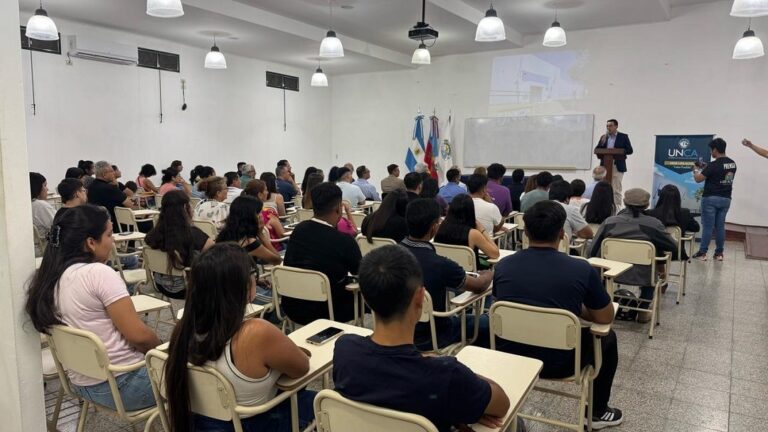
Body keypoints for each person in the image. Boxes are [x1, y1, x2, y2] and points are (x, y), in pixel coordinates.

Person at [333, 245, 510, 432]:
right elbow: (502, 404)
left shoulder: (344, 350)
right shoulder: (446, 375)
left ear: (366, 298)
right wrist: (461, 391)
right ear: (420, 298)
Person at [493, 201, 622, 429]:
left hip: (510, 354)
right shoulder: (581, 269)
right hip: (562, 362)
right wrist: (576, 309)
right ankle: (598, 412)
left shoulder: (504, 266)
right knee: (608, 338)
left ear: (526, 231)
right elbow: (604, 318)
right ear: (562, 234)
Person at [164, 243, 314, 432]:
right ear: (245, 285)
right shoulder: (255, 332)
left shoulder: (183, 329)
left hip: (200, 424)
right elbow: (301, 368)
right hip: (252, 424)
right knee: (322, 402)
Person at [25, 205, 161, 411]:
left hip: (82, 384)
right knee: (203, 373)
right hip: (124, 384)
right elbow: (140, 337)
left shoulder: (49, 277)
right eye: (108, 234)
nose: (113, 240)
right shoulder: (98, 274)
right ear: (90, 243)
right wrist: (161, 352)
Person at [400, 199, 493, 350]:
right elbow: (479, 286)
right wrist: (489, 274)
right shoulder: (440, 264)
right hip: (433, 335)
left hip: (398, 331)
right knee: (488, 321)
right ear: (434, 227)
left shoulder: (389, 254)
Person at [590, 189, 677, 322]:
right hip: (644, 275)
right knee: (653, 267)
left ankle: (605, 306)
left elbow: (592, 249)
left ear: (624, 203)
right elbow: (673, 246)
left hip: (611, 273)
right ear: (647, 205)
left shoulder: (609, 222)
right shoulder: (654, 224)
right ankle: (643, 310)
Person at [282, 182, 362, 325]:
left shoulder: (298, 230)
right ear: (338, 208)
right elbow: (359, 272)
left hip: (293, 306)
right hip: (329, 310)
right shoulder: (344, 241)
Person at [145, 191, 215, 299]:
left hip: (160, 285)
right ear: (184, 208)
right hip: (187, 286)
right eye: (190, 205)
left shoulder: (153, 234)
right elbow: (215, 250)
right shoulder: (192, 234)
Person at [692, 138, 737, 261]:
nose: (711, 152)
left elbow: (698, 179)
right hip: (726, 199)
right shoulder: (732, 163)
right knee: (720, 227)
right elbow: (721, 170)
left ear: (715, 150)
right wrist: (707, 166)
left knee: (707, 226)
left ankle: (702, 253)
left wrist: (695, 169)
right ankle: (719, 254)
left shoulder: (713, 165)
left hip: (711, 199)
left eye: (711, 150)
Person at [434, 194, 500, 269]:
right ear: (471, 211)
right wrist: (482, 230)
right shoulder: (473, 234)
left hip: (445, 272)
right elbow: (495, 254)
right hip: (470, 276)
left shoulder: (440, 227)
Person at [216, 196, 282, 265]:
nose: (261, 215)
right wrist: (260, 234)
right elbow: (277, 260)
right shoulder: (249, 242)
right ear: (252, 216)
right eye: (259, 213)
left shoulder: (224, 234)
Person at [648, 184, 700, 261]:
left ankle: (660, 271)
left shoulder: (651, 213)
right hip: (677, 252)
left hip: (655, 253)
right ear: (678, 198)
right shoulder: (685, 213)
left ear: (661, 197)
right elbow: (696, 228)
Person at [595, 119, 633, 208]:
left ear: (616, 126)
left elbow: (630, 150)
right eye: (607, 126)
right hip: (605, 165)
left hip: (617, 165)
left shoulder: (623, 137)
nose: (608, 128)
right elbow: (597, 149)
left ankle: (617, 208)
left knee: (616, 189)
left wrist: (619, 151)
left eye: (611, 126)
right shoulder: (604, 137)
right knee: (604, 187)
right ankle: (604, 207)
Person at [241, 180, 288, 252]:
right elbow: (282, 235)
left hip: (256, 254)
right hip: (276, 250)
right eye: (266, 190)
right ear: (260, 194)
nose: (267, 192)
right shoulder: (269, 213)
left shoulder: (243, 214)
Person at [87, 161, 135, 232]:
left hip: (96, 224)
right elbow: (130, 205)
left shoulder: (90, 187)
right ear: (104, 174)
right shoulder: (110, 188)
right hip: (116, 225)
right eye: (112, 171)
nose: (114, 173)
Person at [30, 172, 56, 246]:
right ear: (36, 187)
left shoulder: (24, 205)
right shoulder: (40, 206)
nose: (47, 189)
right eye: (45, 185)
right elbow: (60, 225)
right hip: (44, 248)